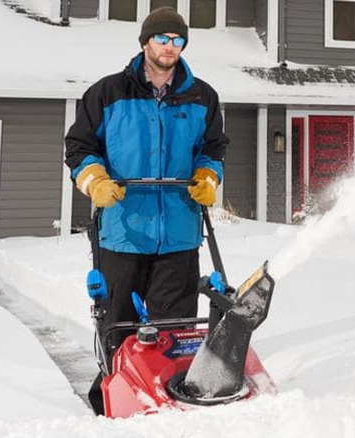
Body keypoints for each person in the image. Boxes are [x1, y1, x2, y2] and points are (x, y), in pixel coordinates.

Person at [64, 6, 229, 414]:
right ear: (145, 43)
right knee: (118, 323)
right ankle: (113, 400)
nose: (170, 47)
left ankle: (169, 402)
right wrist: (96, 181)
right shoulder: (107, 93)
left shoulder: (202, 96)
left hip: (178, 230)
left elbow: (213, 149)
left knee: (176, 329)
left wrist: (208, 177)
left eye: (177, 40)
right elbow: (79, 148)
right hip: (123, 231)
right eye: (162, 38)